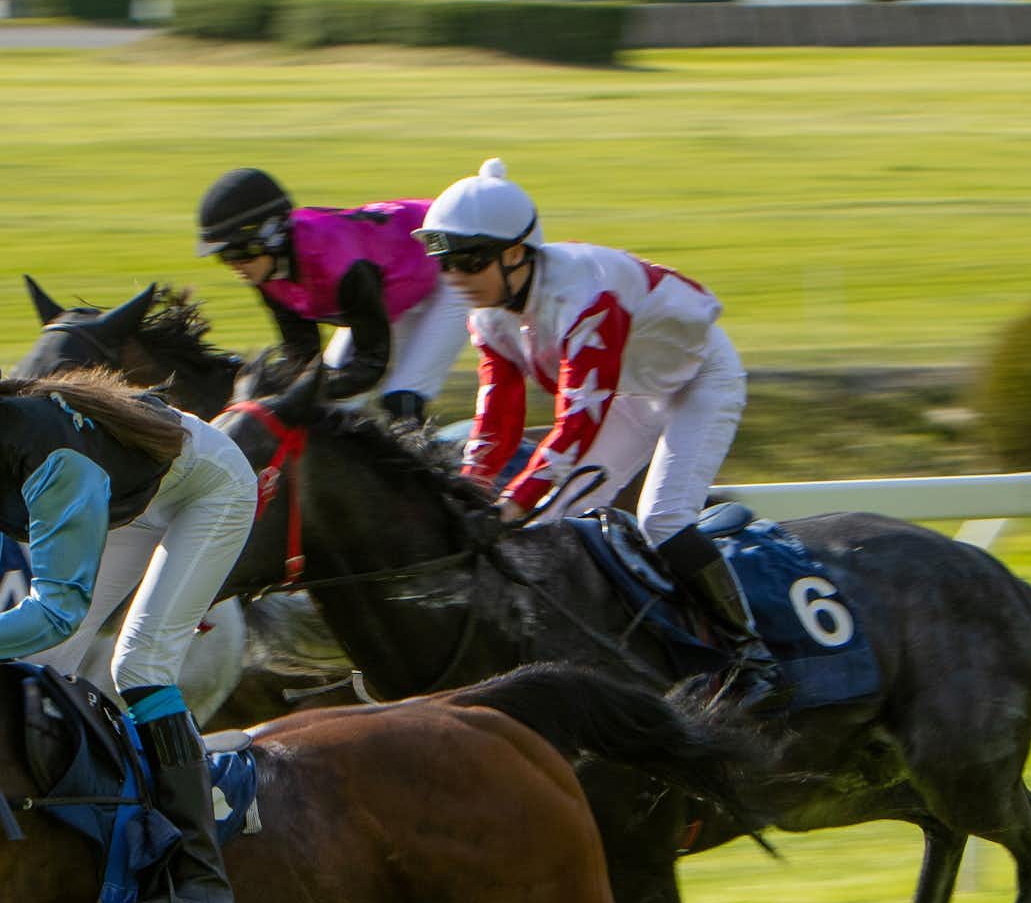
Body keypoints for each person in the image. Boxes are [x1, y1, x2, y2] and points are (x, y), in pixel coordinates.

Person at [0, 303, 259, 903]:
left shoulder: (51, 458)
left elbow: (57, 610)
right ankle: (77, 826)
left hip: (206, 490)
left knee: (139, 665)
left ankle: (196, 867)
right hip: (129, 502)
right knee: (33, 667)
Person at [416, 158, 778, 702]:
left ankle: (751, 658)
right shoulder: (488, 313)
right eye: (443, 261)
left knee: (663, 518)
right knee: (554, 530)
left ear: (516, 253)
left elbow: (576, 424)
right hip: (632, 393)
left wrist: (509, 506)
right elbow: (497, 418)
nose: (454, 278)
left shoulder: (585, 295)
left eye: (467, 261)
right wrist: (470, 492)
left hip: (699, 381)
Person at [195, 167, 468, 424]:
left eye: (238, 253)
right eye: (224, 257)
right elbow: (302, 355)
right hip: (393, 287)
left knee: (401, 399)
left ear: (271, 238)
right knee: (329, 405)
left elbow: (371, 365)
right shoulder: (266, 269)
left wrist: (299, 388)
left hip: (452, 268)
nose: (234, 266)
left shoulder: (337, 263)